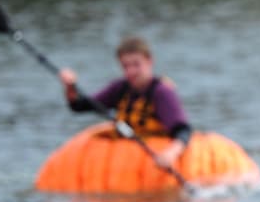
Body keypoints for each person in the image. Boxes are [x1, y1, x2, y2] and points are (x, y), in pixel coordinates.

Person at [58, 36, 192, 168]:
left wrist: (171, 153)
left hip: (154, 154)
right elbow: (79, 106)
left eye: (136, 65)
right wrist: (70, 86)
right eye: (125, 66)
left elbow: (183, 130)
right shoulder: (120, 88)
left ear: (149, 61)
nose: (131, 71)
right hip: (125, 156)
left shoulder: (162, 92)